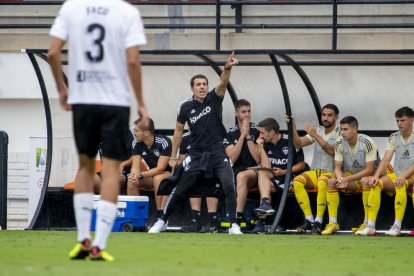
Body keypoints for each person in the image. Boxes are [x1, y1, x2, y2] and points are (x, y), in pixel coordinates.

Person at [48, 0, 148, 261]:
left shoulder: (72, 7)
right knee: (112, 171)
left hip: (83, 100)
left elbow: (53, 53)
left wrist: (61, 88)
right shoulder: (127, 12)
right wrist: (141, 103)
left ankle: (82, 240)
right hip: (115, 102)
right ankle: (99, 245)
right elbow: (133, 62)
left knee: (85, 167)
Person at [148, 52, 243, 234]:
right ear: (192, 88)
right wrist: (174, 156)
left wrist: (227, 68)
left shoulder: (214, 98)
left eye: (204, 84)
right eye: (198, 85)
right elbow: (178, 131)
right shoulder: (185, 107)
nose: (202, 87)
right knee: (181, 187)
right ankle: (162, 221)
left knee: (228, 183)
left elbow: (223, 82)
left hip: (217, 151)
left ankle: (233, 225)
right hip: (196, 153)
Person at [358, 107, 414, 236]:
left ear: (412, 120)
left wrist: (404, 176)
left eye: (403, 120)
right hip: (399, 174)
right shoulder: (394, 137)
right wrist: (376, 176)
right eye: (397, 120)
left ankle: (396, 227)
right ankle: (371, 226)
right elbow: (386, 159)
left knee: (400, 183)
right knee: (376, 184)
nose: (399, 123)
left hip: (409, 176)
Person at [286, 104, 340, 234]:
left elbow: (332, 151)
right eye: (323, 115)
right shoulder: (318, 130)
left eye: (329, 115)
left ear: (336, 117)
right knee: (297, 181)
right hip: (315, 171)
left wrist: (315, 135)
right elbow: (298, 143)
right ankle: (309, 219)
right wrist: (293, 126)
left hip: (332, 173)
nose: (325, 118)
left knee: (322, 182)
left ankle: (319, 221)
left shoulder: (340, 132)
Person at [322, 116, 378, 235]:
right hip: (353, 177)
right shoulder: (339, 143)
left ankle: (367, 223)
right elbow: (337, 167)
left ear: (355, 129)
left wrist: (346, 179)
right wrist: (340, 178)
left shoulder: (367, 142)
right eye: (341, 129)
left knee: (365, 180)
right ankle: (333, 223)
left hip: (373, 177)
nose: (342, 132)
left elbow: (369, 170)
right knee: (332, 182)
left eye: (345, 129)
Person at [253, 118, 306, 234]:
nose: (260, 136)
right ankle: (265, 204)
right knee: (262, 173)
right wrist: (261, 148)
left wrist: (284, 172)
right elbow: (266, 166)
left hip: (290, 177)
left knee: (265, 188)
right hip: (275, 178)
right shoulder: (265, 144)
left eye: (262, 132)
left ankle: (261, 221)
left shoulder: (290, 141)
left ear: (271, 132)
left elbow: (301, 165)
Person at [224, 99, 260, 227]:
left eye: (249, 111)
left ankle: (237, 216)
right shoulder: (230, 133)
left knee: (242, 176)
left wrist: (248, 136)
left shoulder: (258, 130)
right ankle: (213, 219)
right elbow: (231, 159)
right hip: (234, 170)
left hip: (254, 171)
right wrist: (242, 136)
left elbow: (258, 159)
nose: (247, 115)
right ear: (236, 113)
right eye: (243, 112)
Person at [128, 118, 172, 219]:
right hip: (152, 174)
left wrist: (141, 175)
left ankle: (160, 216)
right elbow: (135, 167)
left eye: (136, 130)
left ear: (146, 133)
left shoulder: (164, 141)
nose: (134, 133)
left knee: (158, 178)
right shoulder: (136, 143)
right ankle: (136, 218)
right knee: (131, 181)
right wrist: (134, 175)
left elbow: (161, 169)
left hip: (169, 175)